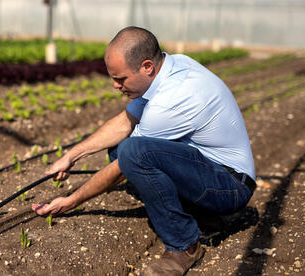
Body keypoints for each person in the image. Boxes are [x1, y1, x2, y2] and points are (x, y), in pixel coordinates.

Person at [32, 26, 256, 276]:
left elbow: (125, 163)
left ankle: (184, 245)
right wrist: (70, 156)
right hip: (207, 169)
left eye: (121, 79)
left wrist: (72, 200)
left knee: (130, 153)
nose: (115, 86)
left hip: (230, 186)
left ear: (147, 66)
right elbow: (124, 122)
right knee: (120, 149)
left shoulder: (173, 99)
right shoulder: (170, 67)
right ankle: (203, 216)